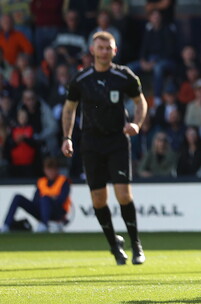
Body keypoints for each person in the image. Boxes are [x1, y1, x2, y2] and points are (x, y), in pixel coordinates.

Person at [61, 31, 148, 265]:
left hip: (117, 141)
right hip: (90, 143)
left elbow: (141, 102)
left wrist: (136, 124)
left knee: (123, 194)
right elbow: (69, 109)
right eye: (100, 48)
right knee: (98, 199)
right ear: (92, 50)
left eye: (108, 48)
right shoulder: (81, 80)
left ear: (115, 50)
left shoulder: (124, 76)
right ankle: (114, 245)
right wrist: (67, 137)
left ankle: (136, 244)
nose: (104, 52)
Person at [1, 157, 71, 233]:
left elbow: (61, 200)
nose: (50, 172)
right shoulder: (41, 182)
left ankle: (44, 225)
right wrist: (50, 198)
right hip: (41, 210)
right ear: (44, 170)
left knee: (45, 198)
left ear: (57, 170)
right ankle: (6, 225)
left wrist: (47, 199)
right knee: (18, 197)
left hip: (57, 212)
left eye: (52, 169)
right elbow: (35, 200)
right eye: (48, 169)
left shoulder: (63, 181)